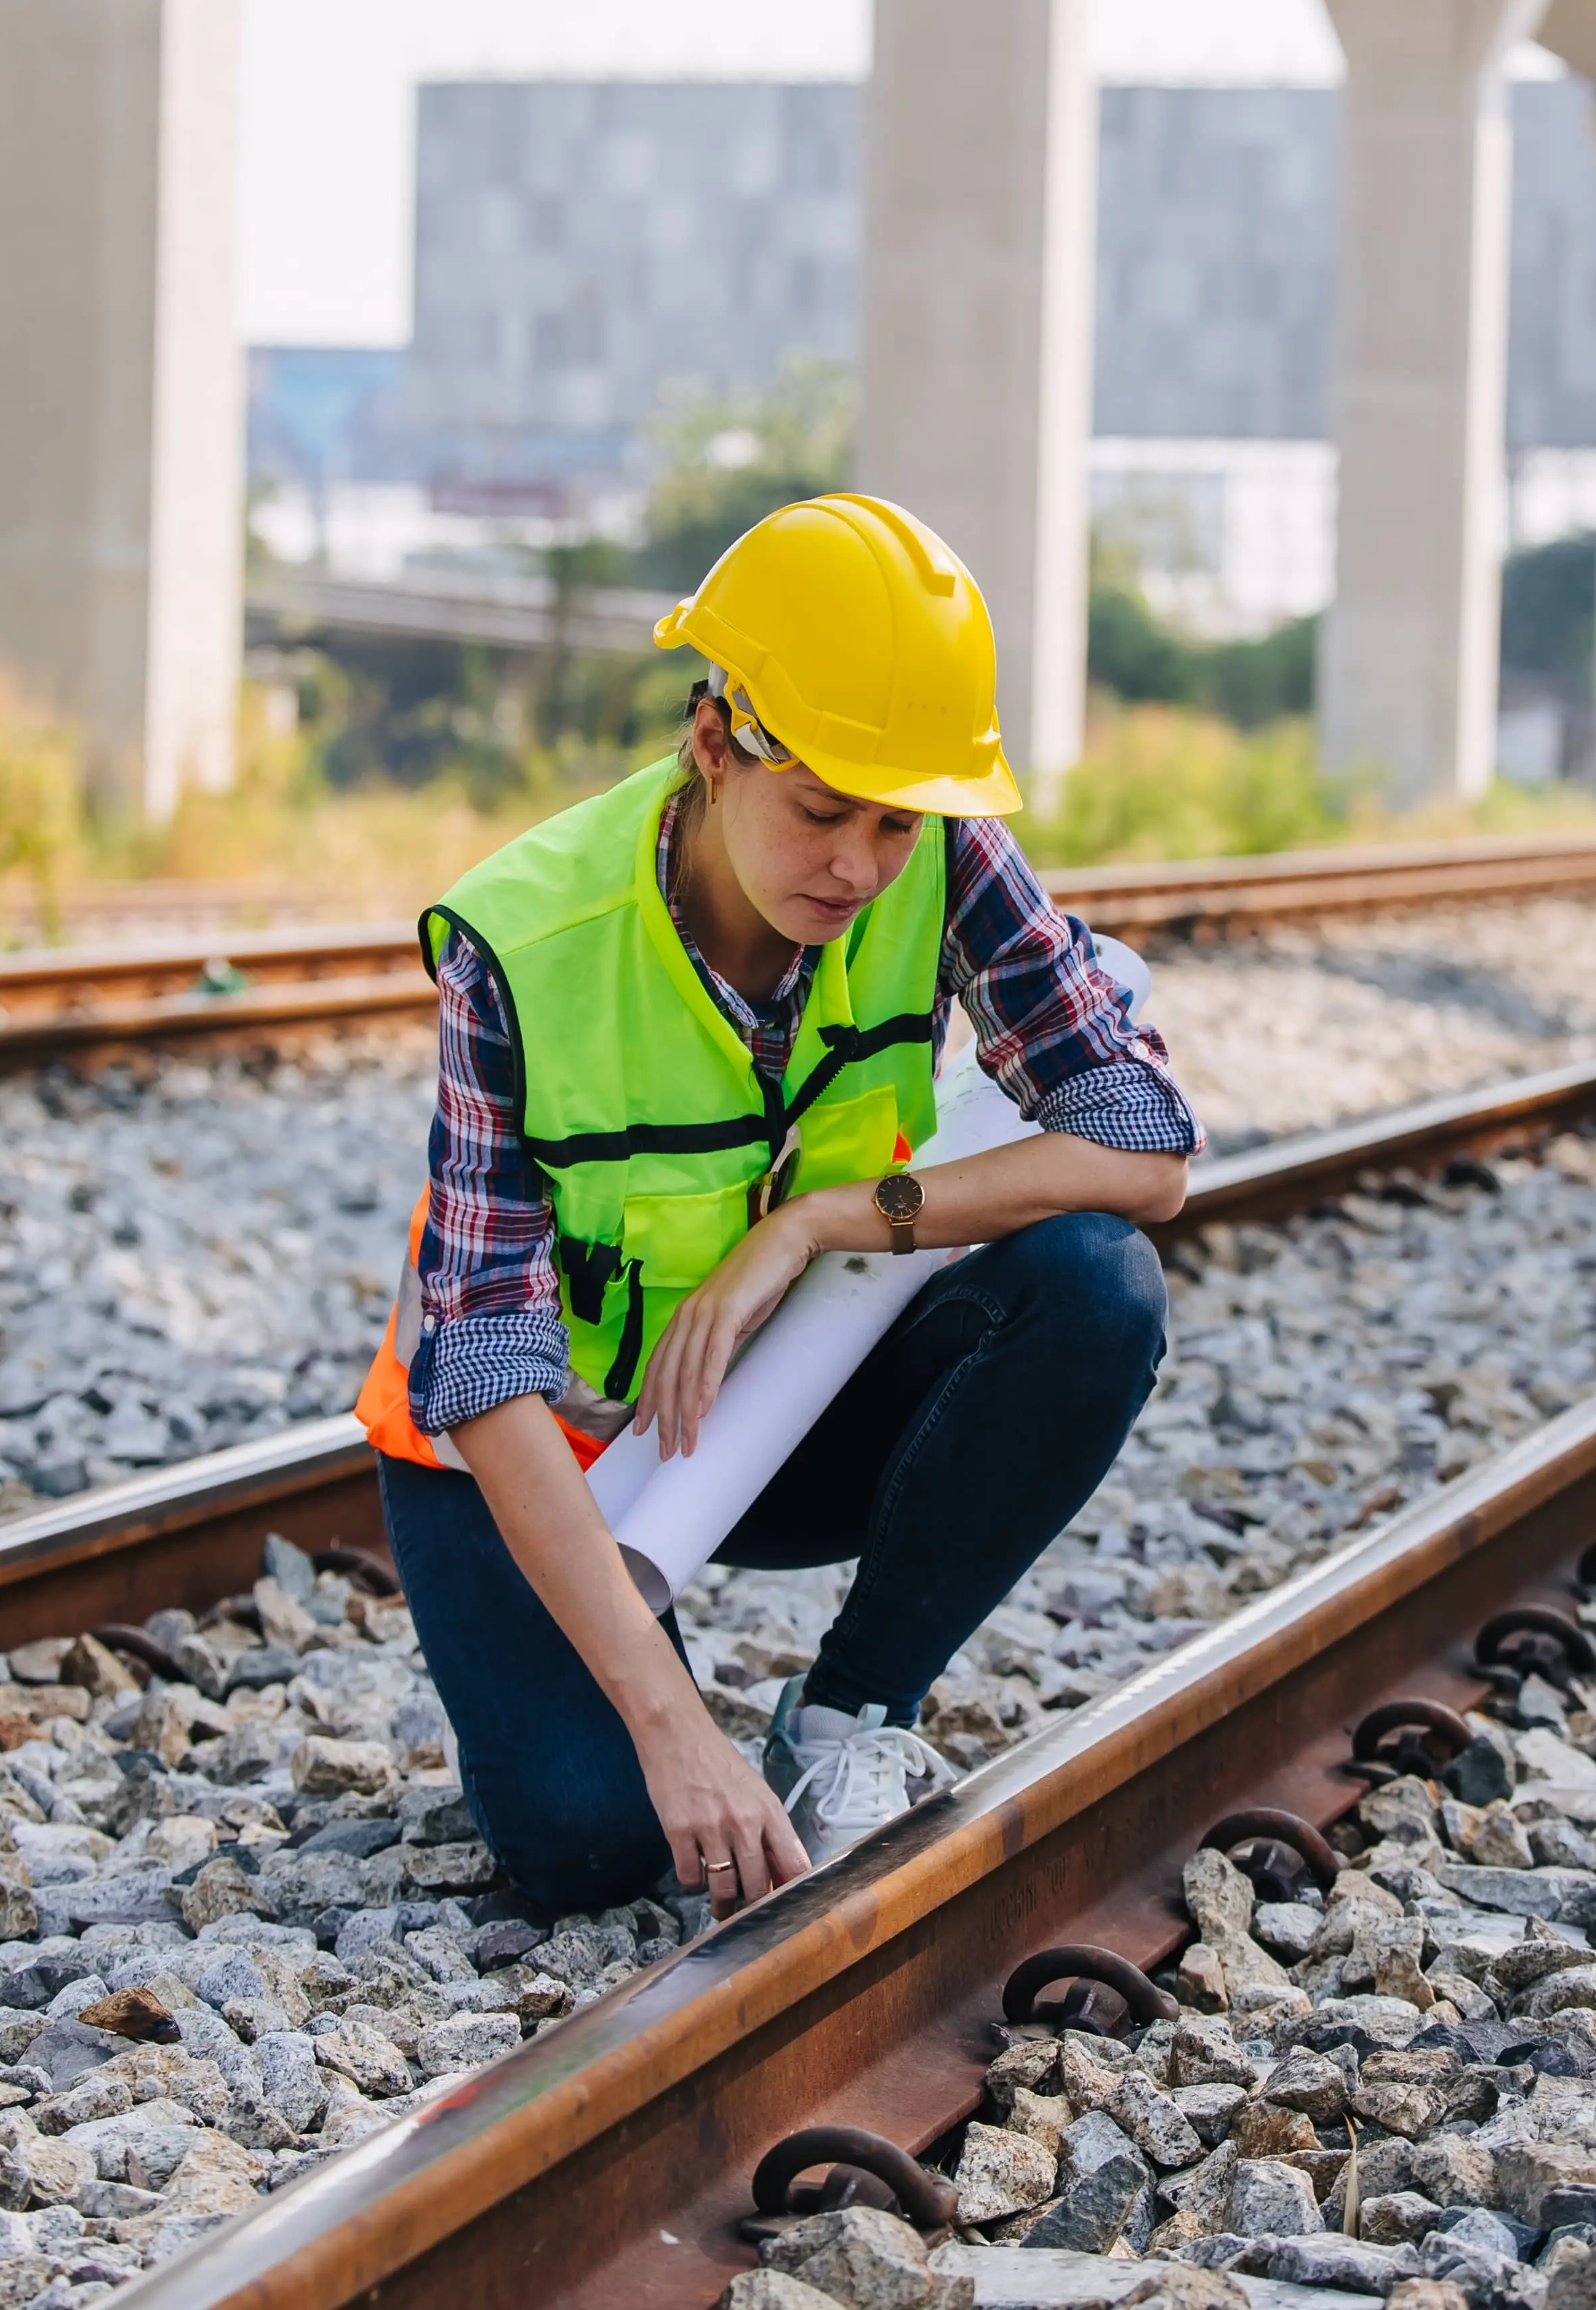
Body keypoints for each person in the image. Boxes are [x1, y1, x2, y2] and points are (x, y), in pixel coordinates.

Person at [351, 493, 1196, 1918]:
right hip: (544, 1452)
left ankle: (848, 1718)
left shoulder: (936, 846)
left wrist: (815, 1224)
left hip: (781, 1409)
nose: (860, 866)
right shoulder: (525, 943)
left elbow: (1144, 1144)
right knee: (598, 1848)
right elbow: (484, 1359)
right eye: (819, 811)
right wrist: (671, 1729)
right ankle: (634, 1703)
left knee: (1092, 1289)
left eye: (893, 820)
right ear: (711, 743)